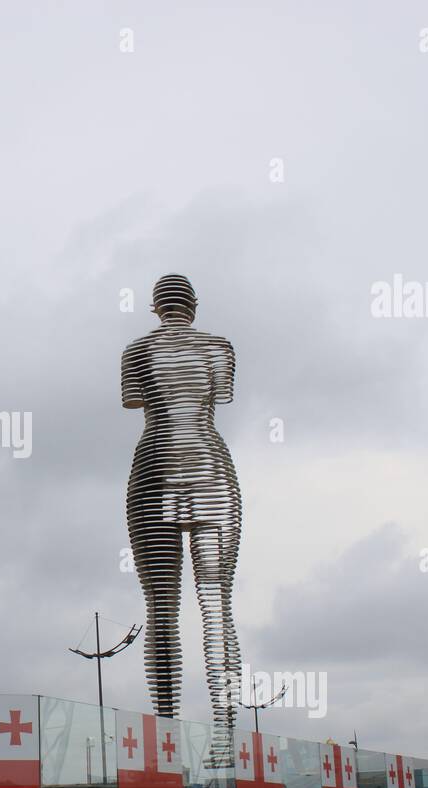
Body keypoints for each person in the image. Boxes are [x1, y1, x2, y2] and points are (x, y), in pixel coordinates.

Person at [122, 275, 242, 763]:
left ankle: (167, 741)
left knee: (161, 607)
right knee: (217, 604)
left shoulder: (136, 349)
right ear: (194, 305)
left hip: (154, 467)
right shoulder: (220, 348)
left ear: (155, 307)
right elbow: (224, 395)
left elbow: (133, 400)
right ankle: (224, 740)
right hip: (211, 467)